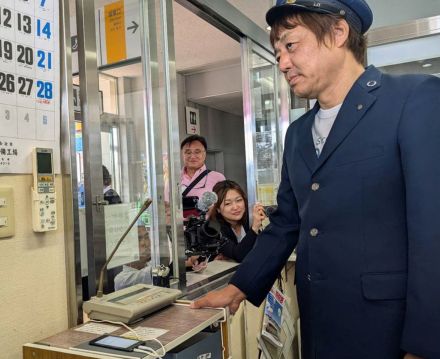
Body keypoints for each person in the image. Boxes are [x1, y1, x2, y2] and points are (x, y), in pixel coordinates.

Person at [192, 1, 440, 358]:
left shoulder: (411, 100)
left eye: (291, 46)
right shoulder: (297, 133)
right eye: (277, 53)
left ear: (338, 33)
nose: (282, 63)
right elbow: (287, 223)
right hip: (319, 324)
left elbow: (433, 233)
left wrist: (425, 346)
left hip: (388, 329)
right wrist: (238, 288)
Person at [211, 180, 266, 263]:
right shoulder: (213, 228)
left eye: (239, 200)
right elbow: (239, 255)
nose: (235, 207)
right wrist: (254, 228)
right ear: (218, 208)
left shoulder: (250, 218)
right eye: (228, 203)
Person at [180, 135, 225, 217]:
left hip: (207, 228)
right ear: (182, 154)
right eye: (188, 152)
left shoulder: (218, 178)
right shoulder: (173, 180)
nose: (192, 156)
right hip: (180, 229)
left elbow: (224, 206)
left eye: (197, 152)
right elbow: (166, 208)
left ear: (205, 154)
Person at [114, 224, 152, 290]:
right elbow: (150, 273)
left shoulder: (150, 265)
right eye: (138, 239)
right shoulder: (122, 280)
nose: (145, 243)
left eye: (146, 237)